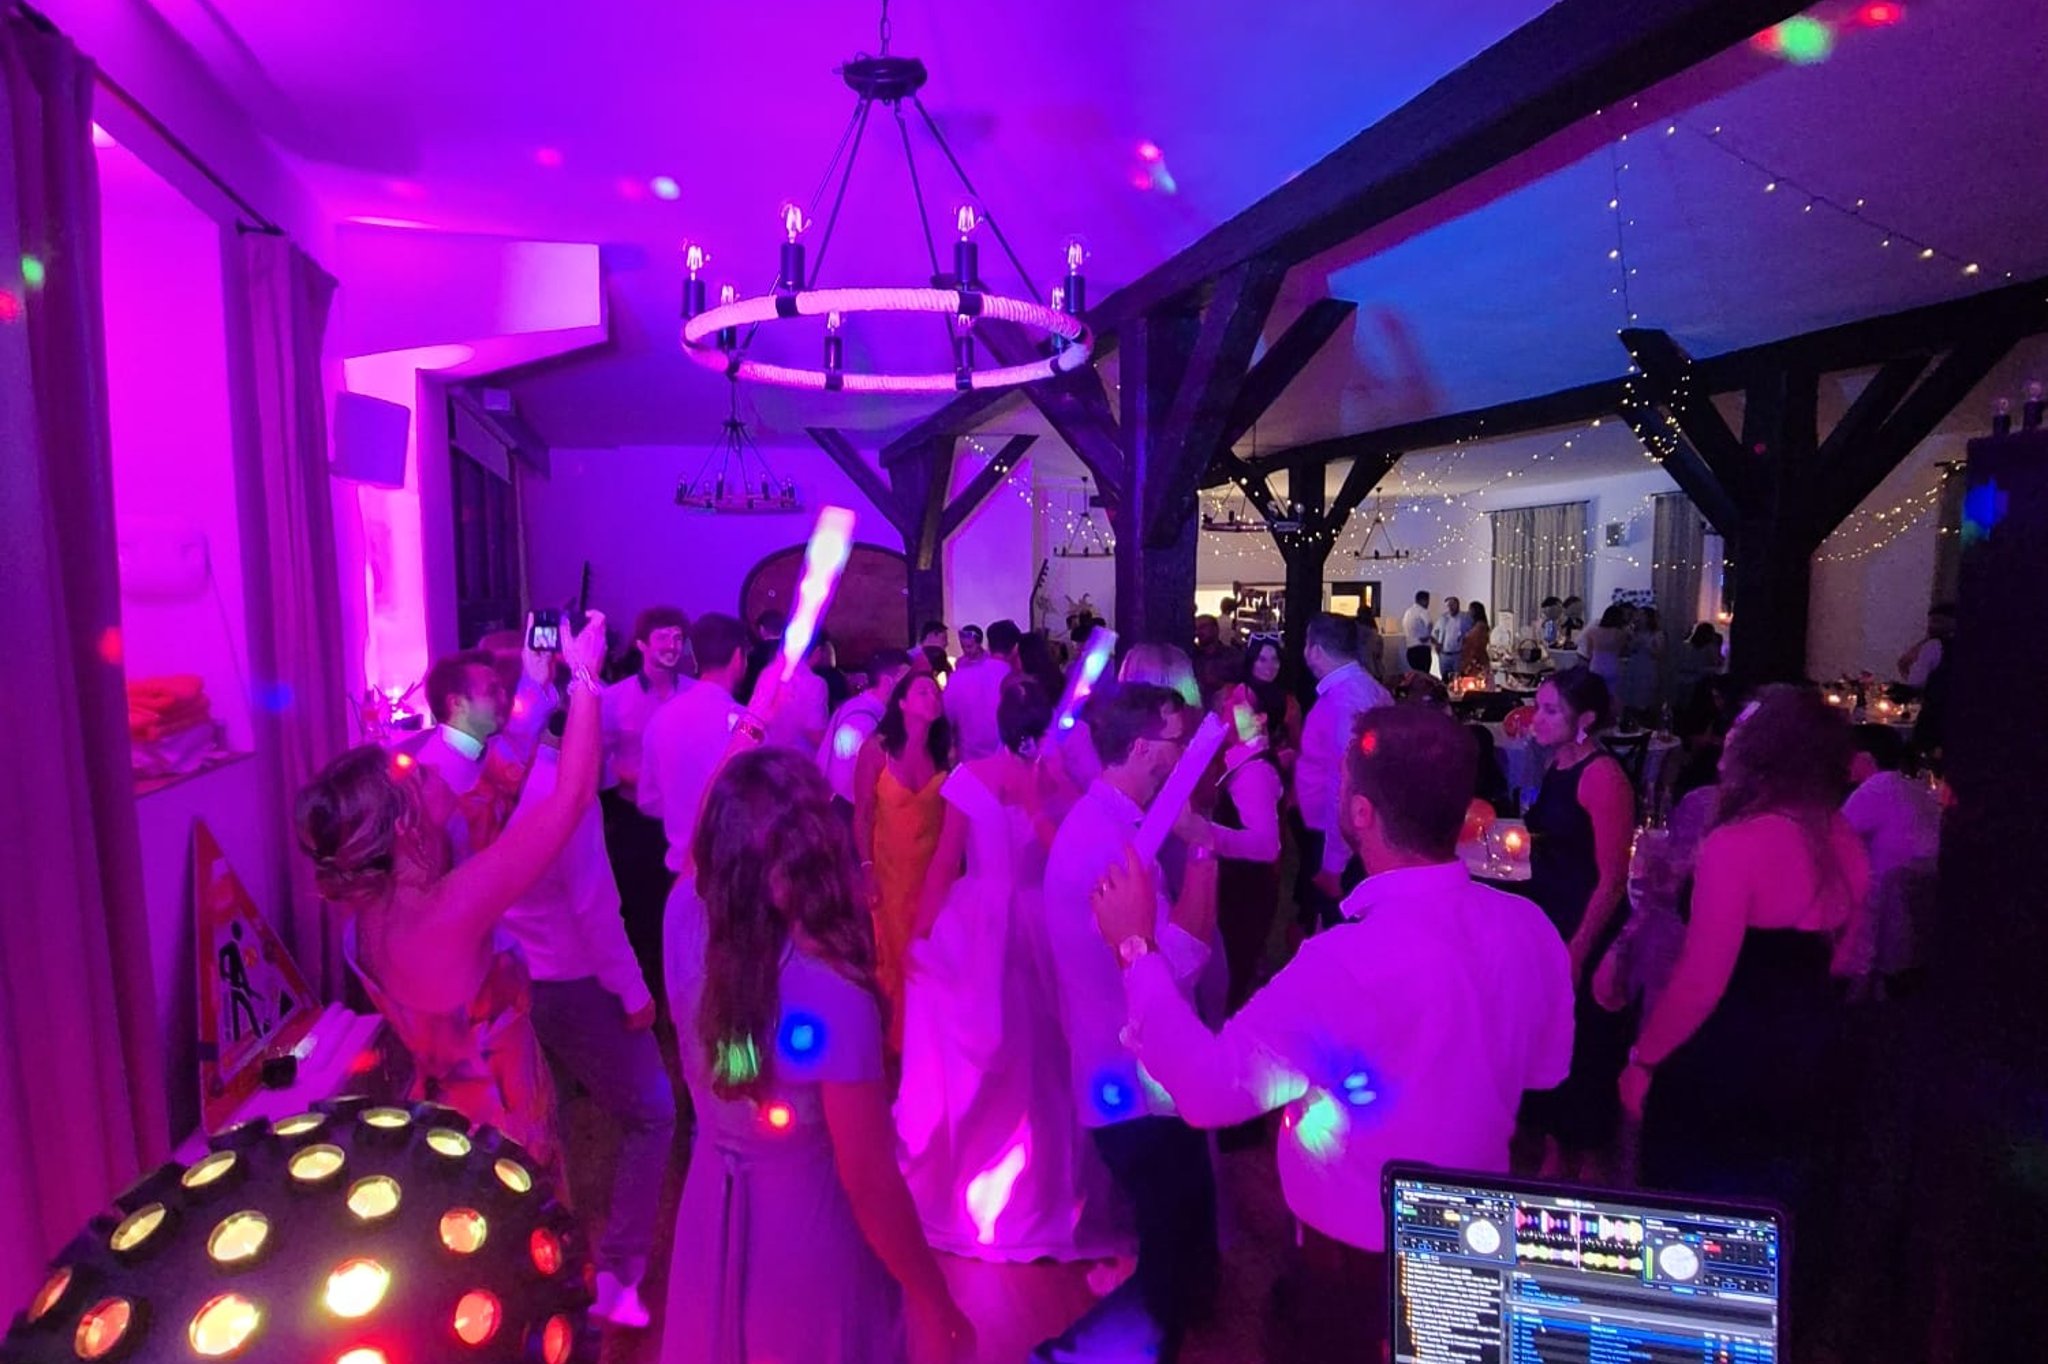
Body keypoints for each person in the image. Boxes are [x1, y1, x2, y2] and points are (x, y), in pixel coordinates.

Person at [1093, 705, 1573, 1364]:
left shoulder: (1344, 964)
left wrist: (1135, 947)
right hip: (1479, 1248)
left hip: (1357, 1270)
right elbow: (1545, 1073)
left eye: (1344, 782)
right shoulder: (1531, 929)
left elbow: (1207, 1090)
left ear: (1362, 813)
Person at [661, 748, 973, 1364]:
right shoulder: (831, 994)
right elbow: (870, 1183)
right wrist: (936, 1301)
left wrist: (748, 731)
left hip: (709, 1214)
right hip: (807, 1238)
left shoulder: (681, 919)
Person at [295, 611, 610, 1180]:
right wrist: (586, 675)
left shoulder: (370, 911)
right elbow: (573, 798)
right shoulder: (445, 912)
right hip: (500, 1130)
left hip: (440, 1110)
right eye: (417, 778)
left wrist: (535, 688)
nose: (430, 770)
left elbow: (495, 792)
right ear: (404, 826)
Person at [1624, 689, 1871, 1329]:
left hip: (1729, 1056)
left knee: (1698, 1222)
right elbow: (1844, 956)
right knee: (1780, 1219)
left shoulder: (1739, 844)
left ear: (1763, 753)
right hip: (1814, 1049)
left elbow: (1701, 980)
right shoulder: (1840, 835)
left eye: (1742, 728)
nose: (1728, 737)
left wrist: (1644, 1060)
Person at [898, 678, 1124, 1265]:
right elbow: (1060, 855)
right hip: (1028, 919)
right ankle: (1034, 1192)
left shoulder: (980, 778)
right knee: (1034, 1057)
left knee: (1013, 1058)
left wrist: (920, 937)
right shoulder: (1049, 781)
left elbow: (945, 864)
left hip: (992, 921)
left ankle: (1008, 1191)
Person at [1042, 683, 1220, 1363]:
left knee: (1177, 1242)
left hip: (1129, 1070)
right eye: (1177, 741)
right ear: (1145, 749)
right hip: (1134, 1081)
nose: (1185, 755)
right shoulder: (1107, 843)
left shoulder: (1109, 822)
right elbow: (1177, 967)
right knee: (1162, 1278)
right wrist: (1203, 853)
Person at [502, 708, 677, 1328]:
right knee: (654, 1112)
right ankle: (617, 1278)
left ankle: (541, 1270)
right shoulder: (565, 793)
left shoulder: (498, 784)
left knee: (549, 1125)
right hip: (573, 980)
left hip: (517, 976)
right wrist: (634, 994)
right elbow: (596, 910)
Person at [1518, 667, 1637, 1182]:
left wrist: (1579, 948)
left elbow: (1612, 879)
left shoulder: (1602, 776)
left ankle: (1588, 1163)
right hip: (1551, 919)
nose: (1537, 719)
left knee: (1585, 1046)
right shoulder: (1558, 762)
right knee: (1551, 1041)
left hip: (1585, 922)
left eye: (1551, 711)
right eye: (1538, 707)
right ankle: (1552, 1147)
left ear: (1585, 719)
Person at [855, 672, 952, 1051]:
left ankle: (929, 1042)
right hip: (890, 872)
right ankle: (902, 1047)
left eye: (936, 692)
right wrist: (866, 868)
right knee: (897, 958)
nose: (933, 697)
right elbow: (862, 814)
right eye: (923, 691)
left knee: (933, 955)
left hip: (934, 874)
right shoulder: (875, 751)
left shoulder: (946, 753)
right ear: (902, 702)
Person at [602, 606, 689, 1000]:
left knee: (683, 907)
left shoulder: (694, 693)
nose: (672, 645)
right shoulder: (615, 699)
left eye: (678, 637)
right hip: (636, 822)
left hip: (683, 819)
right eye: (663, 637)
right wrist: (638, 778)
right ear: (641, 644)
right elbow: (599, 761)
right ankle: (644, 995)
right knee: (641, 913)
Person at [411, 642, 556, 863]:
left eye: (502, 689)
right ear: (457, 704)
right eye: (492, 691)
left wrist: (537, 682)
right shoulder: (435, 776)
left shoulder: (490, 746)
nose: (504, 698)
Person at [1297, 614, 1393, 932]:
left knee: (1339, 924)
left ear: (1314, 649)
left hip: (1340, 837)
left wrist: (1332, 864)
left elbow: (1347, 784)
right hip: (1351, 830)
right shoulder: (1365, 687)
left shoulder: (1345, 700)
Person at [639, 613, 748, 876]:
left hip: (680, 868)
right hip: (733, 870)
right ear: (738, 657)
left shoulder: (661, 717)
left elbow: (648, 800)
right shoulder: (746, 726)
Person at [1844, 724, 1941, 986]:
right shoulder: (1915, 789)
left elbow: (1837, 836)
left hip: (1883, 909)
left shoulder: (1877, 787)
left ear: (1866, 757)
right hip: (1920, 910)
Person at [1209, 683, 1284, 1014]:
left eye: (1237, 704)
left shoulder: (1254, 773)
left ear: (1260, 718)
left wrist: (1205, 833)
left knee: (1235, 978)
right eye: (1223, 704)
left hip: (1246, 893)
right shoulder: (1242, 760)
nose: (1226, 711)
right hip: (1243, 888)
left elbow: (1266, 846)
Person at [821, 649, 914, 817]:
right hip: (849, 813)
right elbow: (849, 778)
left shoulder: (855, 706)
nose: (910, 688)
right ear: (887, 681)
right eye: (906, 681)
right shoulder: (862, 721)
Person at [944, 621, 1009, 762]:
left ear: (979, 643)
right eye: (963, 647)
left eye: (970, 646)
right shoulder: (960, 664)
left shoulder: (992, 664)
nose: (966, 651)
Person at [763, 632, 832, 754]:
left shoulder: (768, 675)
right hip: (797, 759)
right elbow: (815, 733)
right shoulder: (814, 684)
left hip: (767, 756)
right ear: (817, 651)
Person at [1243, 636, 1304, 774]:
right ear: (1251, 661)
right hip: (1244, 775)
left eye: (1275, 659)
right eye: (1262, 659)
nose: (1270, 666)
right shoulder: (1237, 695)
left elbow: (1297, 744)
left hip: (1279, 775)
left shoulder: (1290, 702)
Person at [1897, 603, 1955, 690]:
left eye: (1938, 621)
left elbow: (1916, 681)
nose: (1931, 626)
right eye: (1930, 622)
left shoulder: (1933, 646)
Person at [1578, 603, 1630, 693]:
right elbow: (1622, 651)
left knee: (1595, 693)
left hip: (1596, 665)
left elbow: (1589, 651)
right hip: (1612, 665)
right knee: (1611, 693)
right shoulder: (1620, 633)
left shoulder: (1593, 631)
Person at [1671, 622, 1723, 708]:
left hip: (1683, 681)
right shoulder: (1705, 649)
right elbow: (1714, 665)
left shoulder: (1686, 647)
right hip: (1695, 683)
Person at [1433, 595, 1469, 678]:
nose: (1450, 607)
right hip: (1444, 655)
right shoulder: (1443, 618)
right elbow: (1434, 634)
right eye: (1448, 605)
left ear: (1458, 605)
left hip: (1458, 655)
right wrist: (1436, 644)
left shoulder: (1465, 618)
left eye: (1452, 605)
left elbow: (1470, 633)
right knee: (1444, 678)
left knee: (1458, 678)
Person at [1458, 600, 1493, 679]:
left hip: (1476, 663)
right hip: (1475, 661)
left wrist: (1465, 639)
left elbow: (1474, 645)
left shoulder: (1480, 627)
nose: (1469, 613)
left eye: (1471, 610)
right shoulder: (1476, 626)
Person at [1401, 591, 1434, 673]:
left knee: (1416, 675)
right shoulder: (1422, 611)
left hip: (1410, 649)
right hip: (1422, 649)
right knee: (1424, 675)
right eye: (1428, 600)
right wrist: (1428, 636)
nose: (1428, 604)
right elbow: (1429, 624)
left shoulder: (1408, 612)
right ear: (1423, 600)